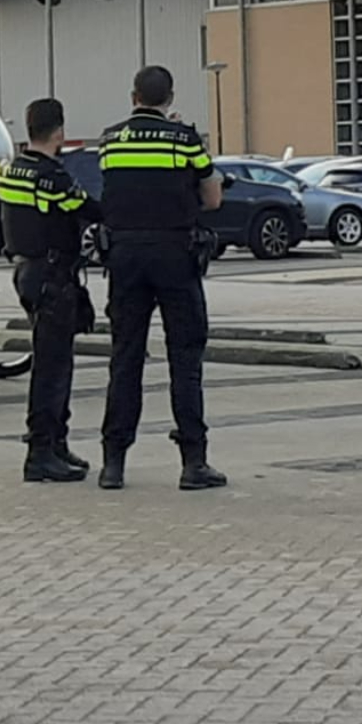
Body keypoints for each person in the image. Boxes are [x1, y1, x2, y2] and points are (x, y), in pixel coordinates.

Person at [96, 66, 228, 492]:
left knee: (125, 358)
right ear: (169, 98)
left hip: (125, 256)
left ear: (134, 97)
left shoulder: (110, 139)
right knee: (185, 359)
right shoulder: (186, 139)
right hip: (175, 254)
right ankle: (194, 463)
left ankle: (112, 464)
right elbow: (212, 198)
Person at [0, 98, 101, 483]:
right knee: (53, 369)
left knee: (52, 361)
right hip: (54, 276)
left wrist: (8, 245)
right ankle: (41, 452)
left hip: (27, 272)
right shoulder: (53, 178)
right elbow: (88, 209)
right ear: (59, 132)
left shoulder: (11, 171)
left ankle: (55, 443)